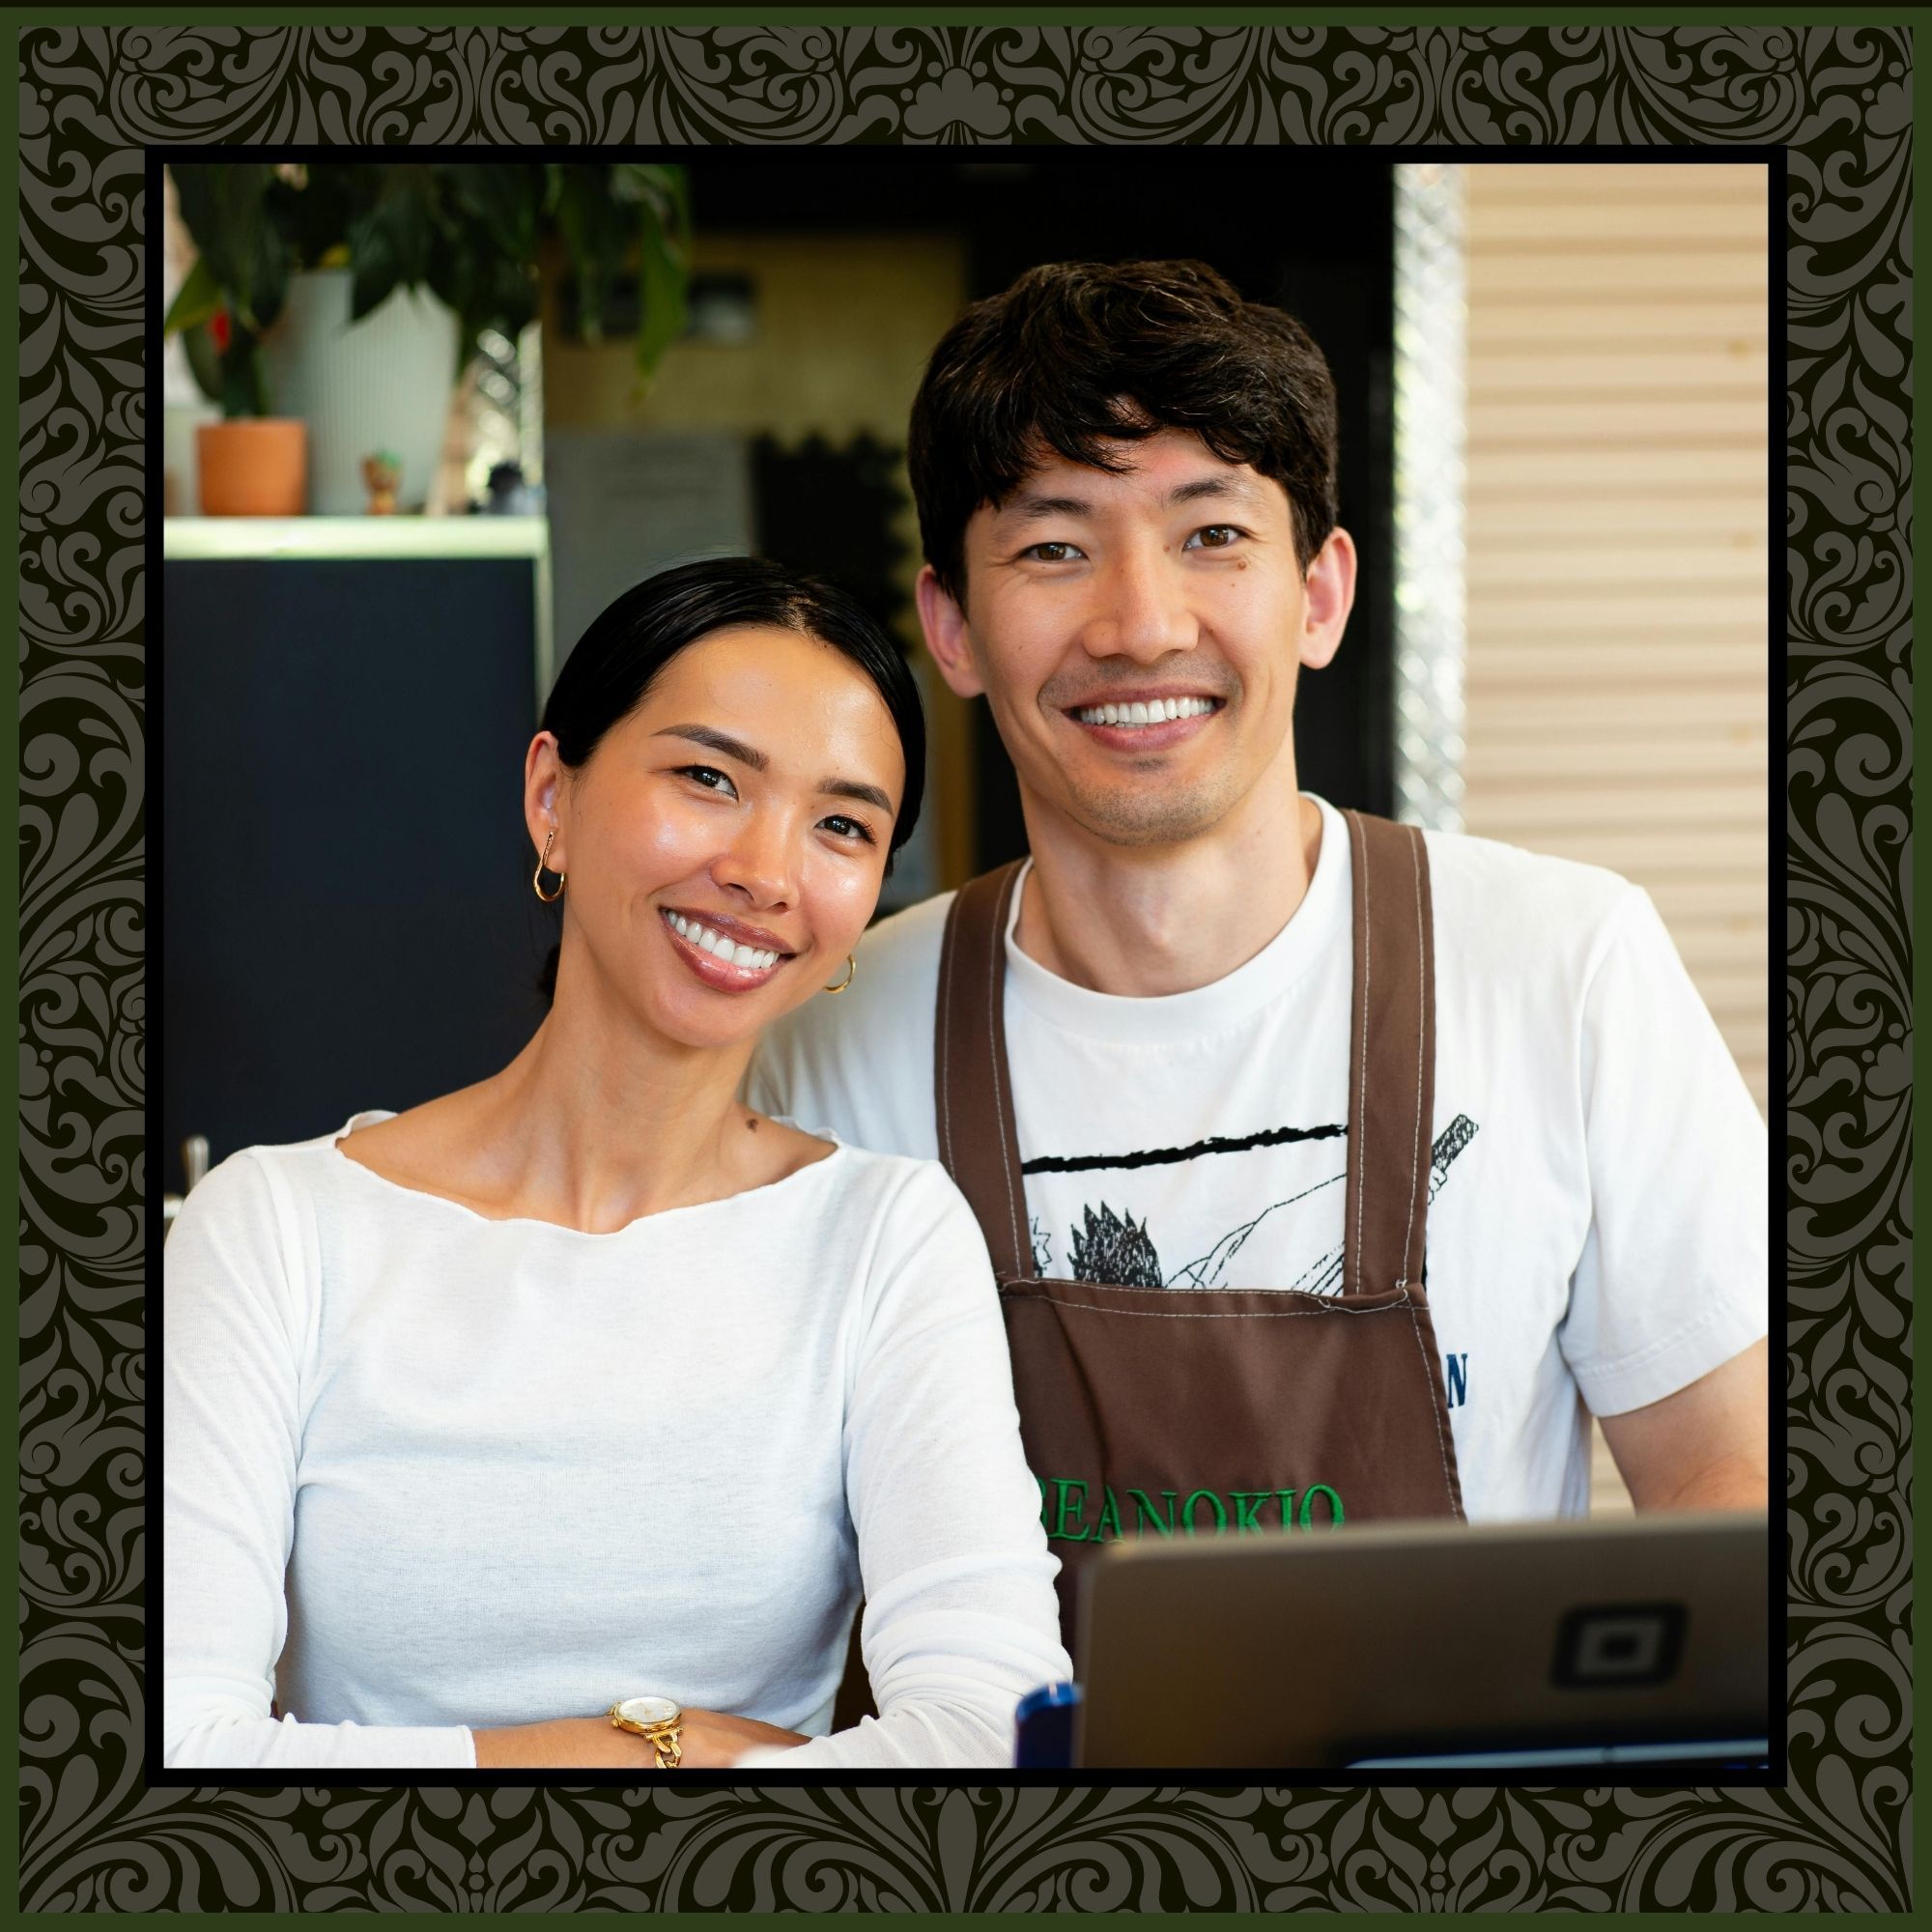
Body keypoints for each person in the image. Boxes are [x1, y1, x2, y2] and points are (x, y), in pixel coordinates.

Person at [748, 260, 1770, 1634]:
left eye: (1212, 535)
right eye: (1054, 545)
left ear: (1322, 593)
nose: (1141, 625)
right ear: (952, 628)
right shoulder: (828, 1041)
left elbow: (1730, 1472)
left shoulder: (1564, 964)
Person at [162, 557, 1070, 1771]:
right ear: (553, 796)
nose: (765, 868)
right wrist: (652, 1747)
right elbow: (158, 1744)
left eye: (840, 824)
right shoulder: (273, 1227)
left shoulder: (885, 1235)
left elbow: (994, 1736)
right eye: (707, 777)